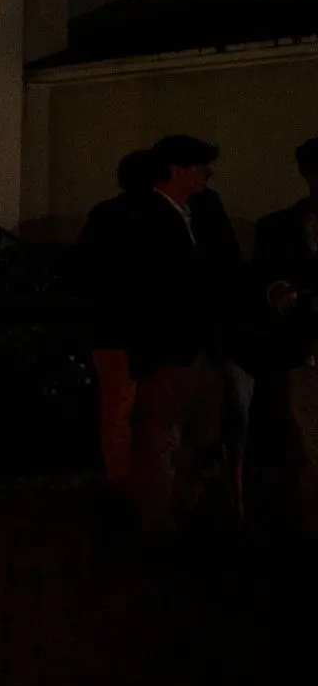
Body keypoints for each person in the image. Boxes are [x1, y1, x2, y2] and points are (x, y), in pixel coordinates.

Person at [116, 134, 247, 538]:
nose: (208, 174)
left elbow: (226, 266)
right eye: (199, 166)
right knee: (161, 439)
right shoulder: (143, 216)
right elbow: (147, 286)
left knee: (202, 437)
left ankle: (184, 513)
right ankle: (157, 525)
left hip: (204, 347)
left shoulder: (203, 209)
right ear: (177, 170)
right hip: (169, 350)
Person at [76, 148, 165, 489]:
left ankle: (123, 481)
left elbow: (85, 269)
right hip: (132, 329)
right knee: (133, 411)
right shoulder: (157, 216)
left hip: (113, 329)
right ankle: (134, 482)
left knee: (118, 412)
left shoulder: (107, 214)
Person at [253, 137, 318, 532]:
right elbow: (264, 277)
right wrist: (276, 289)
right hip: (303, 349)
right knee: (305, 434)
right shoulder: (278, 226)